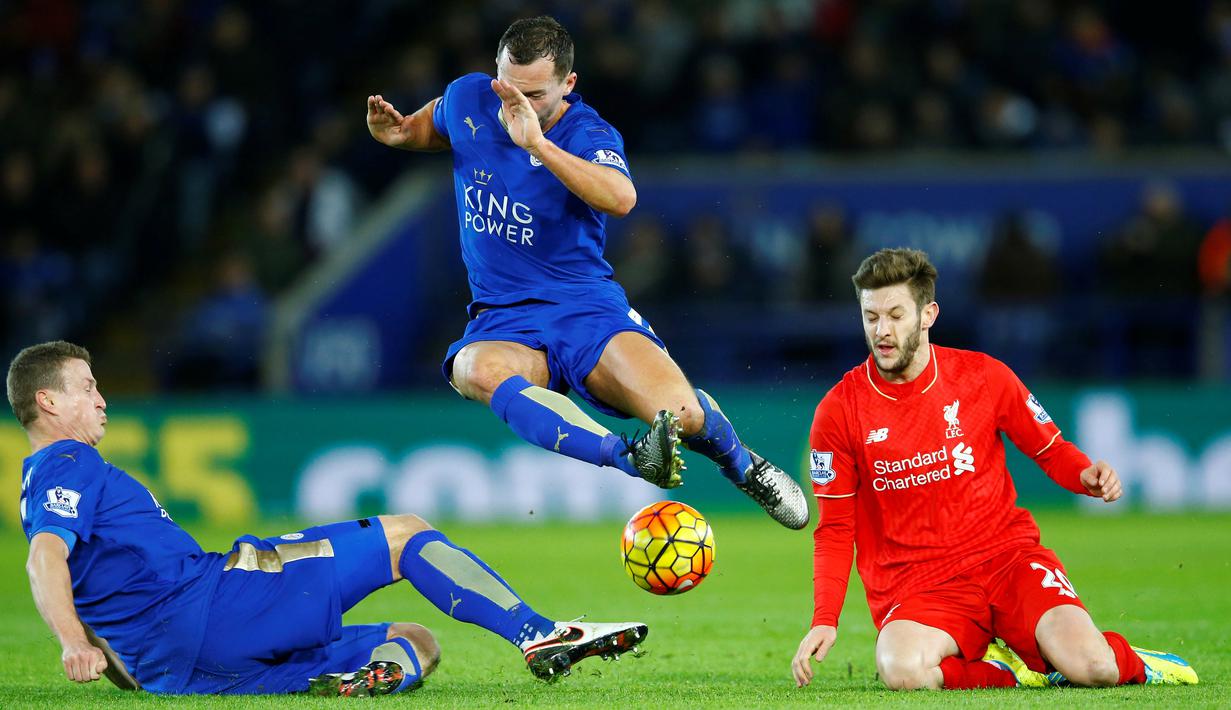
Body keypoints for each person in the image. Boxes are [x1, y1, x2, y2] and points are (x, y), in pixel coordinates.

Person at [364, 15, 808, 530]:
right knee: (474, 369)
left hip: (585, 308)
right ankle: (628, 456)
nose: (518, 105)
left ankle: (744, 466)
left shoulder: (589, 132)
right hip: (504, 316)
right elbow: (429, 128)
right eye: (510, 88)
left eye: (536, 95)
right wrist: (397, 133)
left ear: (568, 84)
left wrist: (538, 145)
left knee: (681, 418)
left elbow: (622, 197)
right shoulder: (470, 97)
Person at [10, 341, 647, 696]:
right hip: (215, 600)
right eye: (87, 386)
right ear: (48, 401)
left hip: (179, 669)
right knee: (403, 533)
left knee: (419, 642)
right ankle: (538, 632)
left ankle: (368, 679)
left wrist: (118, 656)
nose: (100, 397)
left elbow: (94, 595)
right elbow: (46, 558)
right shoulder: (66, 461)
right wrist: (71, 643)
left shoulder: (44, 479)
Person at [790, 248, 1198, 690]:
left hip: (1007, 559)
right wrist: (825, 619)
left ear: (928, 314)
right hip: (917, 586)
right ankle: (1012, 672)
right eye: (870, 317)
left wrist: (1084, 476)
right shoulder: (839, 411)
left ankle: (1136, 661)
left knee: (1093, 667)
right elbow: (834, 529)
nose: (882, 331)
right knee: (900, 669)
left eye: (895, 315)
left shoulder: (983, 376)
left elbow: (1050, 449)